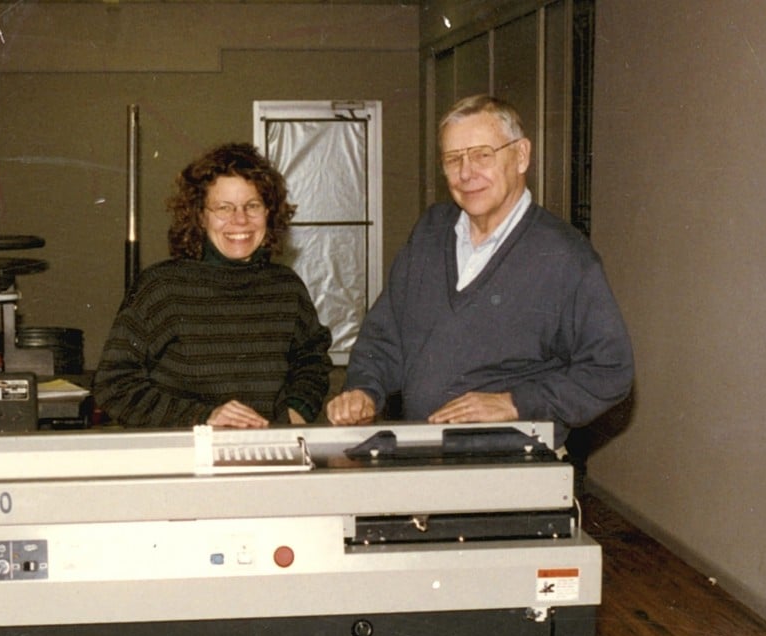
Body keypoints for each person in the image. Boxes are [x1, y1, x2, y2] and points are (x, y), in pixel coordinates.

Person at [326, 95, 633, 449]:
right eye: (453, 159)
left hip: (512, 475)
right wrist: (364, 388)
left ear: (521, 156)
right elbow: (385, 335)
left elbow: (610, 370)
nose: (466, 172)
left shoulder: (564, 255)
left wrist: (516, 401)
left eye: (482, 155)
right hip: (424, 463)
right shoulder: (429, 233)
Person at [93, 142, 332, 428]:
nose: (240, 220)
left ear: (269, 212)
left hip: (269, 456)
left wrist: (295, 412)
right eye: (224, 208)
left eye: (252, 206)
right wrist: (203, 417)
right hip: (181, 457)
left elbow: (312, 363)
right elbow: (114, 385)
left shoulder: (287, 288)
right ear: (200, 216)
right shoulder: (161, 288)